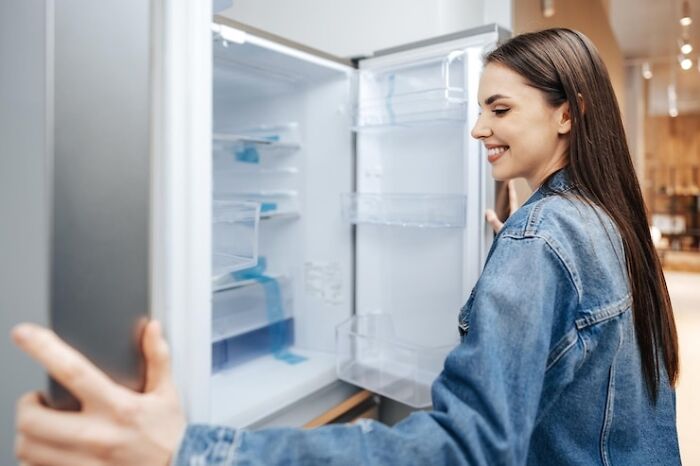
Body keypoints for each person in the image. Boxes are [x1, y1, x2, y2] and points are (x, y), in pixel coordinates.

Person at [12, 28, 681, 465]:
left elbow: (463, 447)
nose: (478, 129)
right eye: (479, 108)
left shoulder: (543, 239)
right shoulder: (598, 219)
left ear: (568, 112)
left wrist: (194, 451)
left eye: (499, 110)